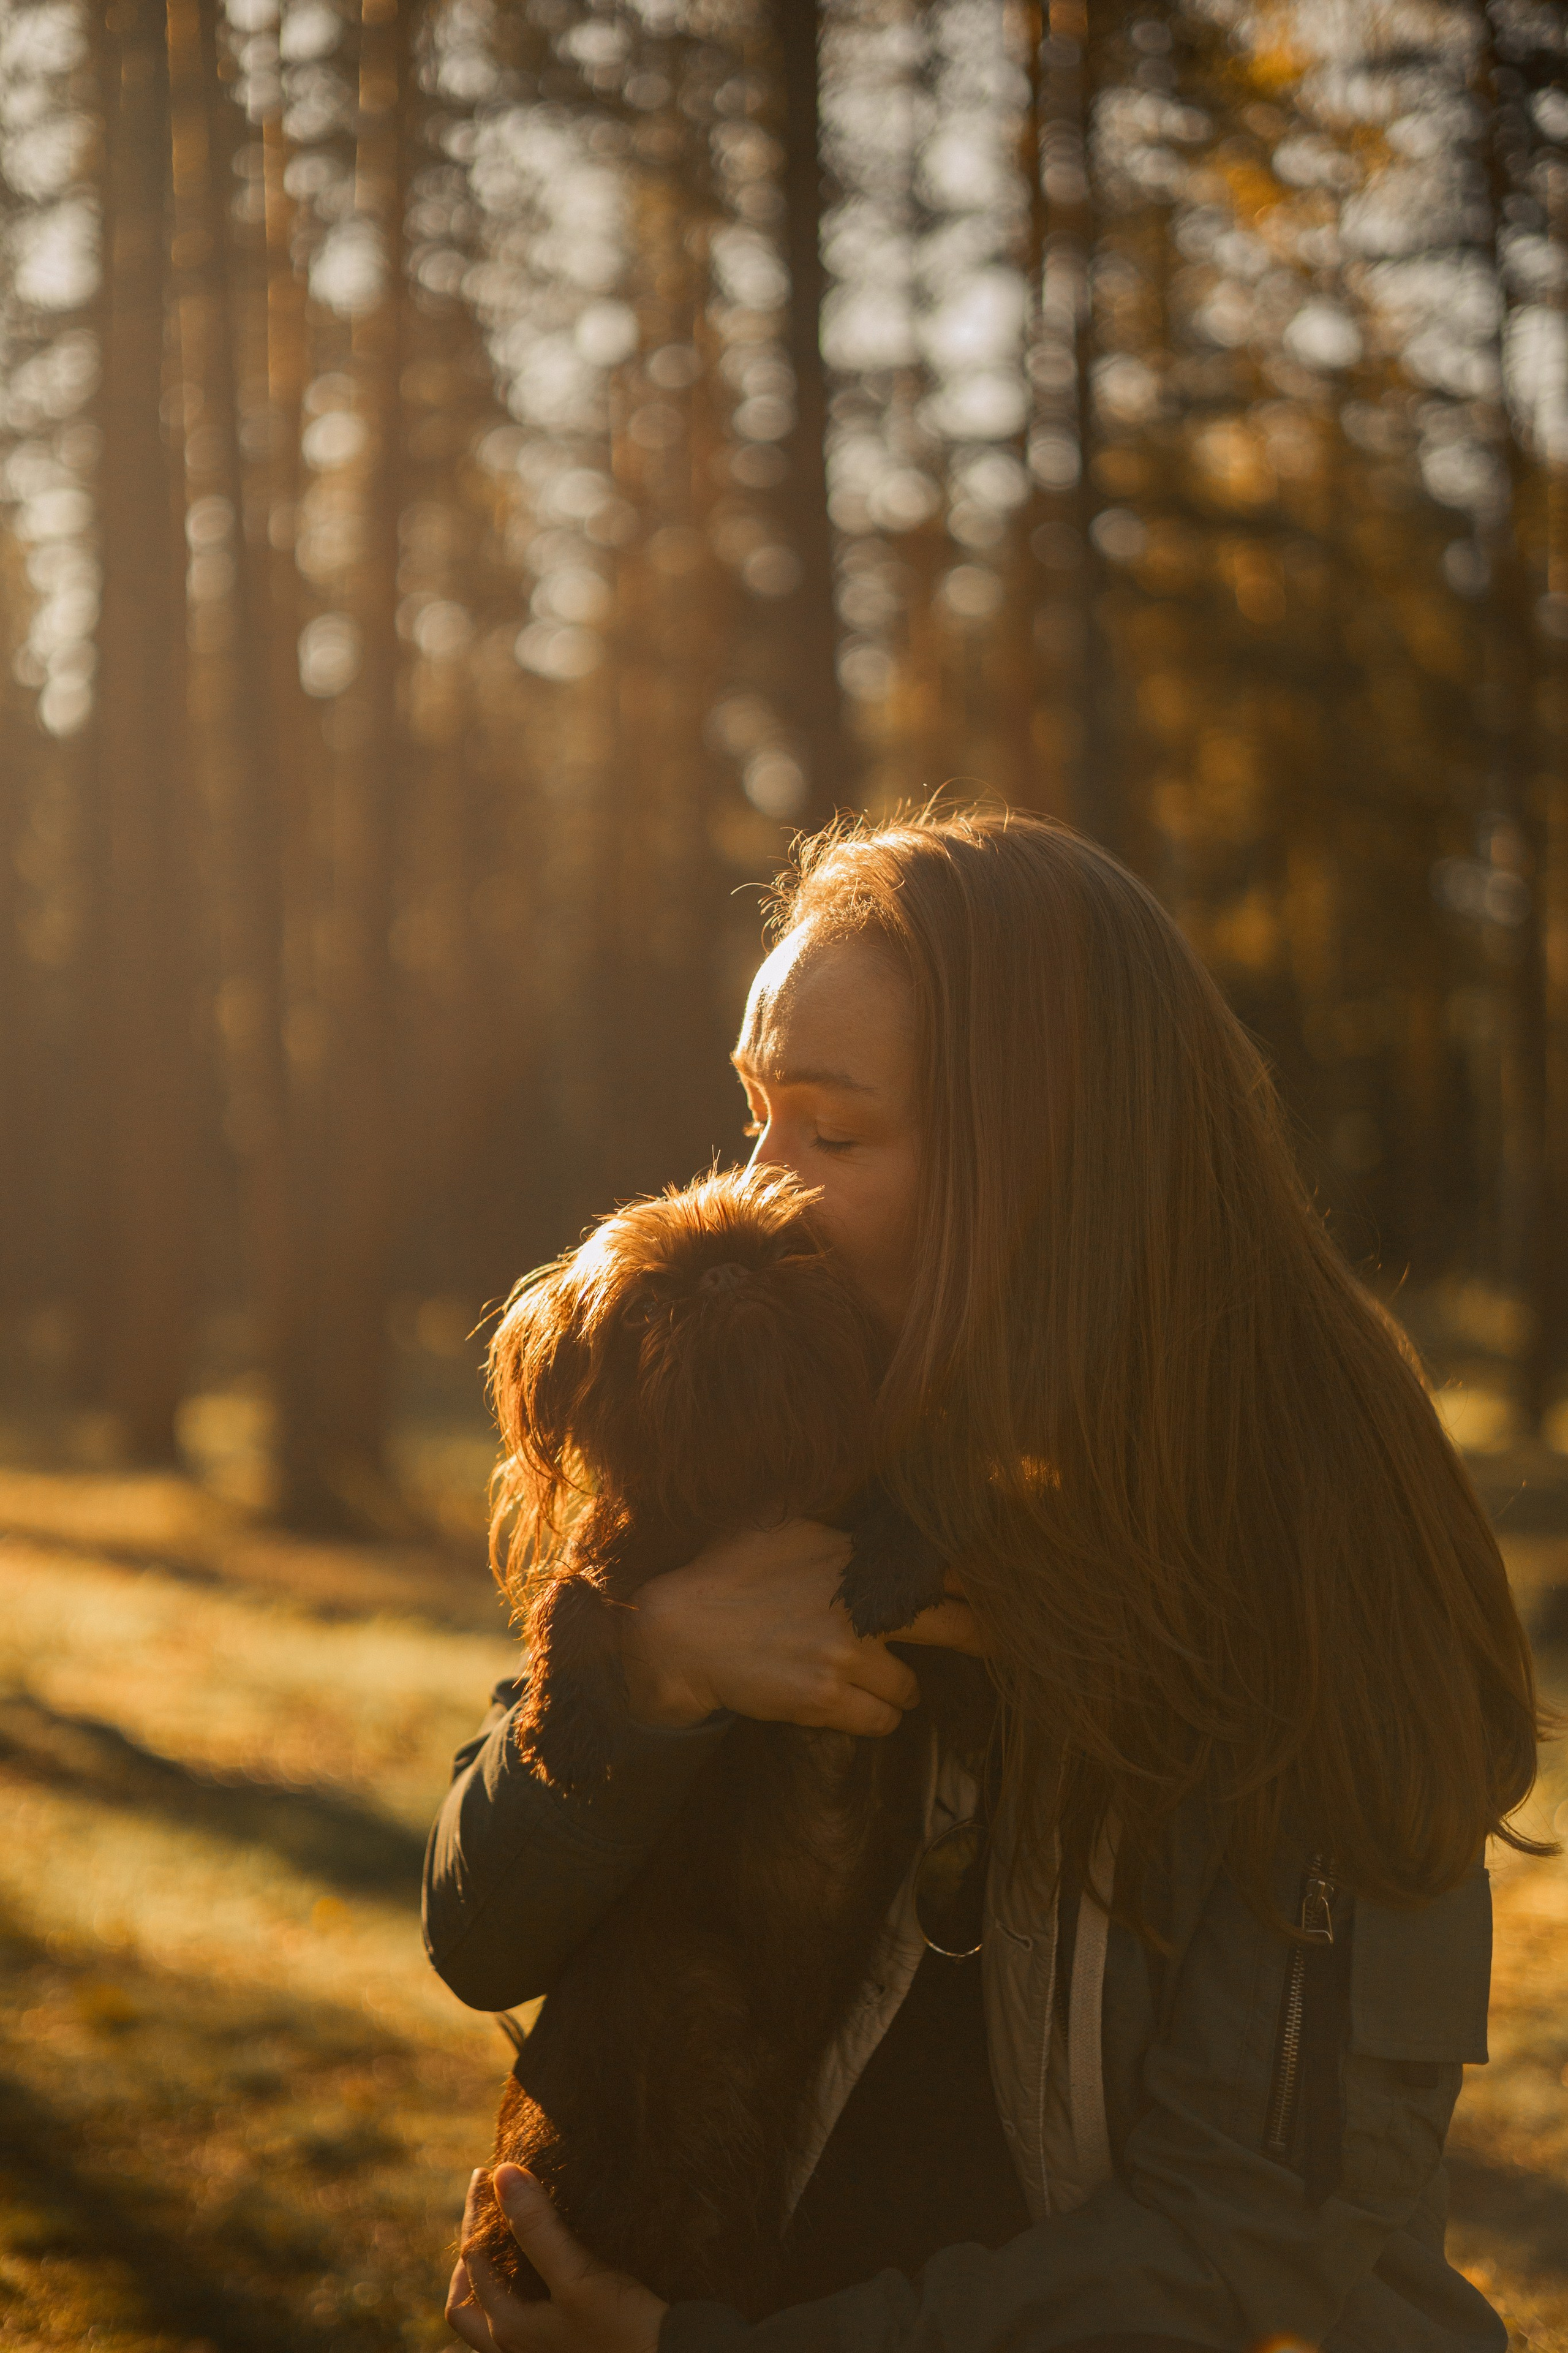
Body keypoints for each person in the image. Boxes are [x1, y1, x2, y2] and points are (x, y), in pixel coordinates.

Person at [427, 810, 1543, 2353]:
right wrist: (647, 1670)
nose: (756, 1191)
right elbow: (477, 1934)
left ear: (1050, 1168)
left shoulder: (1324, 1546)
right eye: (754, 1114)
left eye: (833, 1135)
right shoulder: (811, 1413)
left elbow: (1250, 2234)